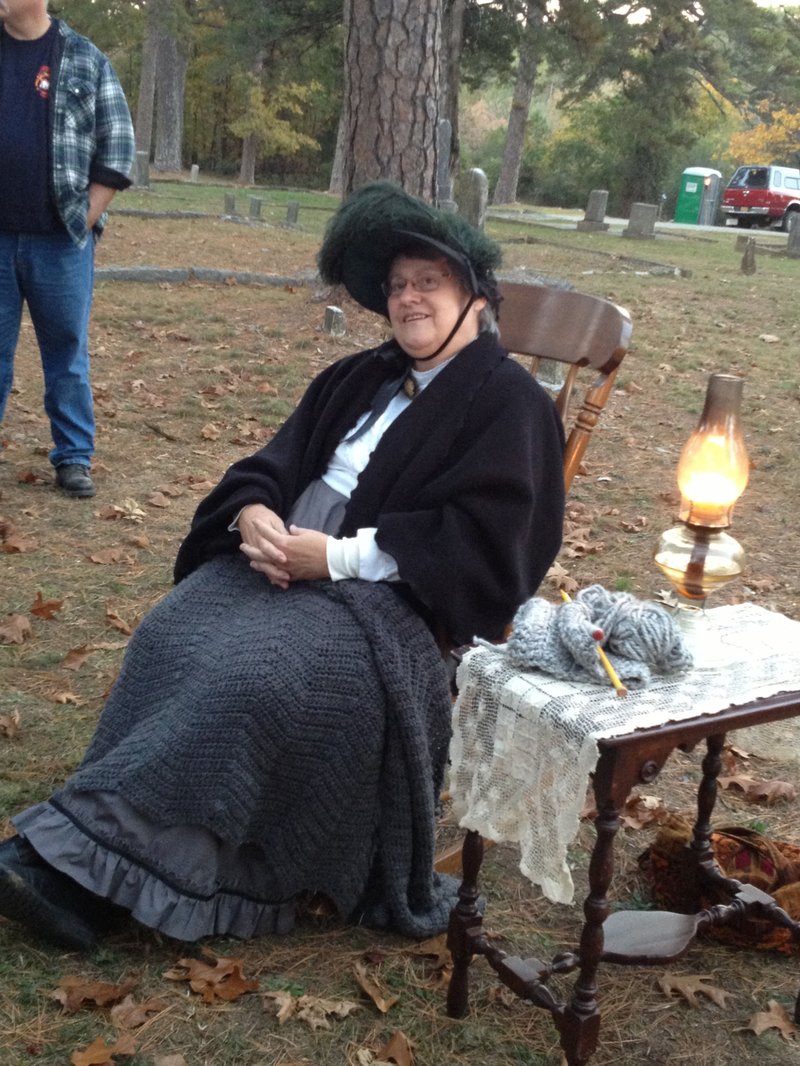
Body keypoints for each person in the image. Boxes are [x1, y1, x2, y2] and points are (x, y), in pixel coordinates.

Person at [0, 181, 566, 952]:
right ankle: (73, 842)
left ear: (476, 294)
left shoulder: (511, 403)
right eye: (397, 286)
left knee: (256, 677)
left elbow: (489, 544)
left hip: (387, 609)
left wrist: (330, 557)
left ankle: (88, 884)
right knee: (176, 632)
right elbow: (273, 461)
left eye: (427, 282)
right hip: (279, 562)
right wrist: (253, 515)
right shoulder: (358, 376)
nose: (407, 299)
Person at [0, 0, 135, 498]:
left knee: (67, 355)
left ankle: (74, 457)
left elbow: (117, 151)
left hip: (60, 245)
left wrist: (83, 220)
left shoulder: (85, 58)